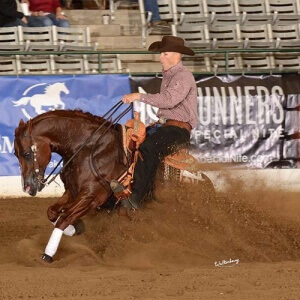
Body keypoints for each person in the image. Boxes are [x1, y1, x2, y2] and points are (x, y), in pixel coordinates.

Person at [121, 35, 198, 210]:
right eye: (161, 53)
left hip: (178, 130)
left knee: (148, 148)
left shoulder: (183, 76)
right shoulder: (171, 75)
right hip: (167, 127)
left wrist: (139, 96)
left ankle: (137, 198)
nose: (160, 57)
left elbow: (169, 100)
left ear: (177, 55)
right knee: (131, 143)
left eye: (165, 53)